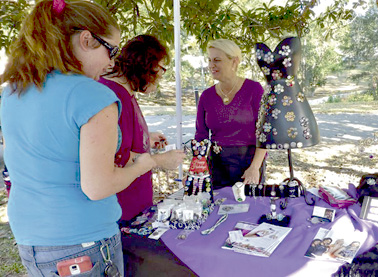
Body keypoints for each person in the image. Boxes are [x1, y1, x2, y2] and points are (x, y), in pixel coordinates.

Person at [0, 0, 182, 275]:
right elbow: (98, 187)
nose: (111, 61)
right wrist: (147, 164)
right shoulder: (93, 94)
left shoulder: (14, 90)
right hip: (83, 240)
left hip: (31, 239)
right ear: (86, 40)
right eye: (110, 50)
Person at [99, 35, 186, 222]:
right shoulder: (113, 96)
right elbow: (116, 156)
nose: (162, 76)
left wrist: (146, 137)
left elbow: (122, 138)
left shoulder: (125, 91)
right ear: (146, 64)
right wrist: (160, 160)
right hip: (121, 210)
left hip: (135, 205)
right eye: (161, 69)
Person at [195, 39, 267, 189]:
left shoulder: (254, 90)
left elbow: (264, 132)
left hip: (248, 164)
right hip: (217, 166)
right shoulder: (206, 96)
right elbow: (200, 136)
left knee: (249, 208)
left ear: (234, 62)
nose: (211, 65)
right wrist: (196, 169)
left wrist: (255, 168)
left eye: (217, 60)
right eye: (209, 60)